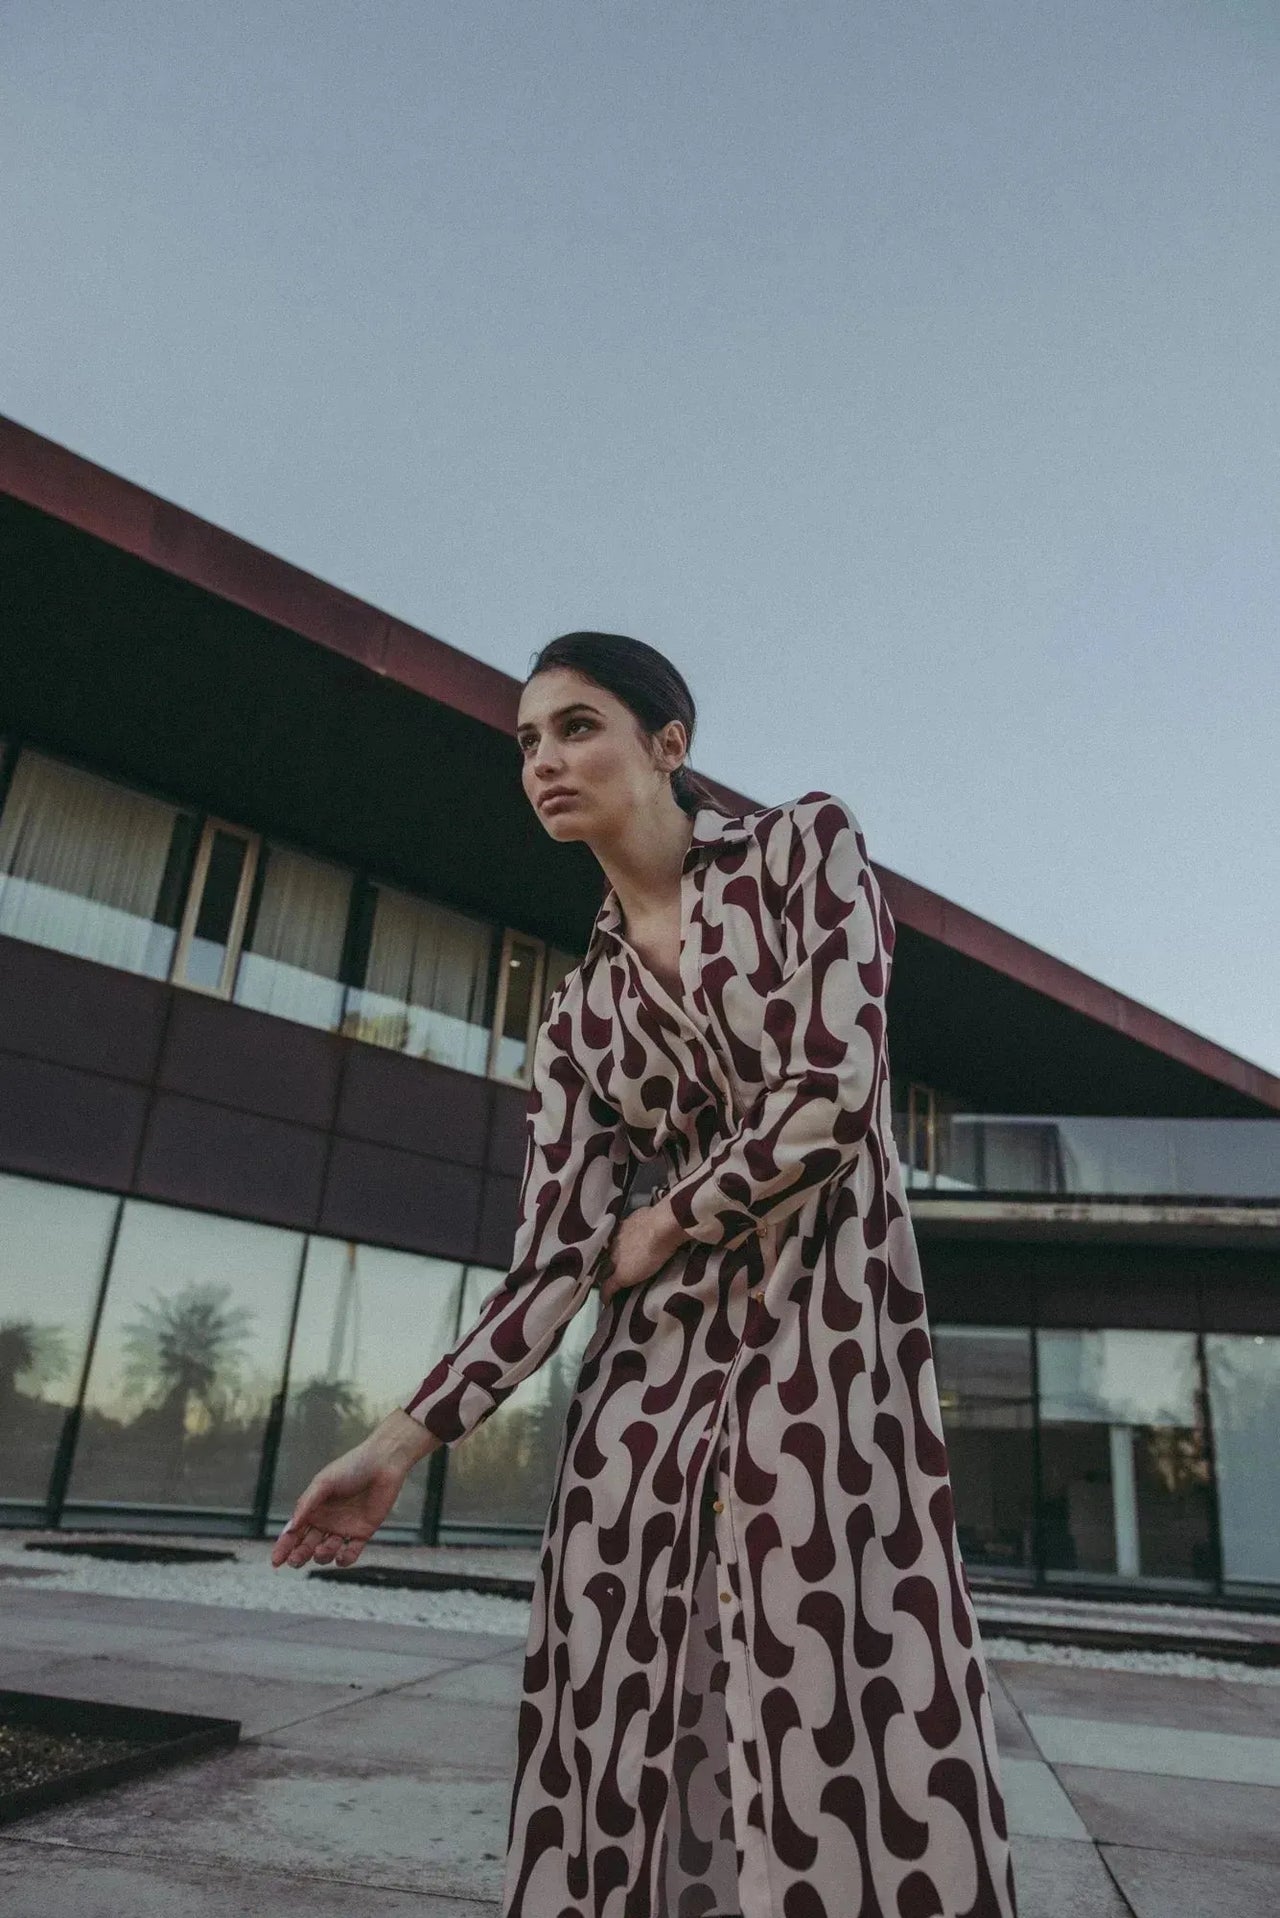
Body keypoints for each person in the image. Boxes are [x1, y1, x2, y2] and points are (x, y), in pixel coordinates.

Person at [272, 631, 1019, 1918]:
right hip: (644, 1379)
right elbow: (551, 1257)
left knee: (831, 1676)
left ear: (668, 744)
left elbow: (829, 1097)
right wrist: (396, 1443)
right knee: (624, 1688)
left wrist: (667, 1216)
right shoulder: (577, 1016)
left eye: (575, 727)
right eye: (525, 742)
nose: (544, 761)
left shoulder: (801, 850)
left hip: (822, 1342)